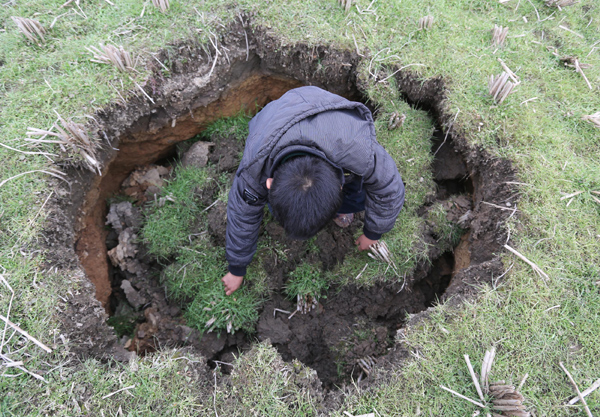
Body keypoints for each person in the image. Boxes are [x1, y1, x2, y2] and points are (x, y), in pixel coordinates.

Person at [221, 86, 405, 295]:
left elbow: (389, 188)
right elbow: (241, 216)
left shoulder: (358, 148)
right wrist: (236, 268)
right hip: (278, 116)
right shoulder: (254, 167)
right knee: (254, 202)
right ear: (269, 183)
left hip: (330, 114)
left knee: (361, 193)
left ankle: (341, 207)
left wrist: (373, 232)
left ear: (340, 184)